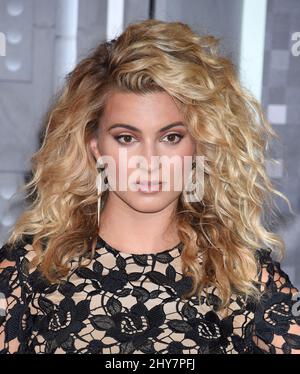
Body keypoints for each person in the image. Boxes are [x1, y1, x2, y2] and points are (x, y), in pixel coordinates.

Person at [0, 19, 300, 354]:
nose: (150, 160)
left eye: (171, 137)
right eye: (127, 138)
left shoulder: (240, 274)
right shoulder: (28, 271)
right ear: (96, 146)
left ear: (198, 145)